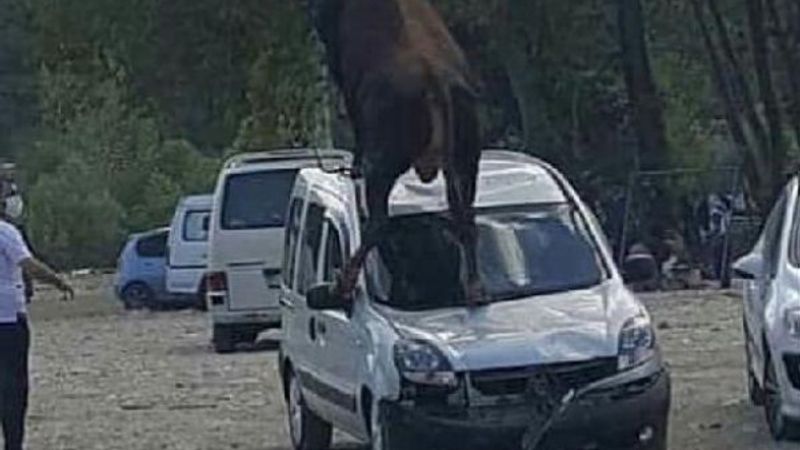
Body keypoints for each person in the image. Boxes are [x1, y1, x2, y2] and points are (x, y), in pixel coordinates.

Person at [0, 191, 73, 450]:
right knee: (13, 388)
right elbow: (28, 264)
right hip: (7, 320)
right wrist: (58, 281)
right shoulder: (5, 231)